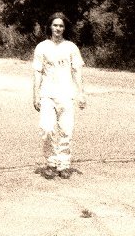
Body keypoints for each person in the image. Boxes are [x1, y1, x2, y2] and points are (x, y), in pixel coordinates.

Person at [32, 12, 86, 180]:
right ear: (50, 27)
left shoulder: (71, 47)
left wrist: (81, 93)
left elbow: (77, 71)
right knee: (47, 128)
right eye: (55, 25)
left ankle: (63, 164)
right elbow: (37, 73)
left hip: (66, 94)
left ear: (65, 28)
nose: (58, 28)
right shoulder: (42, 47)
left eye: (61, 26)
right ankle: (51, 162)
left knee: (66, 130)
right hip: (47, 94)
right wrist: (35, 94)